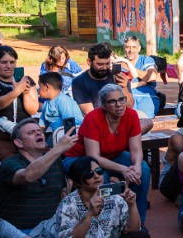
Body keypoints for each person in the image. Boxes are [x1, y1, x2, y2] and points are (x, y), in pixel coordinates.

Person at [53, 157, 151, 238]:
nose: (96, 176)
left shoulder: (115, 197)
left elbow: (133, 229)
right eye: (89, 174)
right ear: (77, 183)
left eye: (99, 171)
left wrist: (132, 205)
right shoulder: (68, 204)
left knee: (142, 237)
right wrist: (89, 214)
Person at [64, 84, 150, 225]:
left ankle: (138, 221)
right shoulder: (93, 118)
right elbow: (94, 158)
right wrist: (123, 169)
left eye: (121, 99)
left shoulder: (132, 115)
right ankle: (105, 223)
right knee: (99, 177)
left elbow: (135, 149)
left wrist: (137, 165)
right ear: (103, 105)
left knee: (143, 170)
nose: (119, 105)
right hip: (80, 158)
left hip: (112, 156)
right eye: (112, 101)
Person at [0, 118, 77, 238]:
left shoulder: (54, 160)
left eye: (39, 131)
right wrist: (57, 149)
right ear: (18, 142)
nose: (38, 134)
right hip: (21, 232)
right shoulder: (9, 164)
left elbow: (62, 193)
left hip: (50, 229)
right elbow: (28, 176)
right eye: (31, 132)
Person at [0, 44, 40, 161]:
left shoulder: (26, 80)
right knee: (11, 164)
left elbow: (32, 110)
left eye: (12, 62)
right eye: (3, 62)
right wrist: (17, 91)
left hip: (26, 133)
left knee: (42, 161)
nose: (8, 66)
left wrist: (26, 93)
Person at [72, 43, 135, 115]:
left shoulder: (119, 78)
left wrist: (124, 87)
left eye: (107, 63)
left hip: (121, 117)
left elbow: (130, 106)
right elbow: (90, 114)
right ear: (89, 62)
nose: (105, 67)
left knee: (146, 121)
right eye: (100, 64)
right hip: (98, 121)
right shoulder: (79, 82)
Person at [117, 35, 160, 117]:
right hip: (126, 98)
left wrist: (128, 65)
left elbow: (152, 76)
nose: (131, 50)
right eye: (128, 47)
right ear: (124, 48)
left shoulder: (146, 60)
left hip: (146, 97)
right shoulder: (119, 63)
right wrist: (140, 83)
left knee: (143, 118)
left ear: (139, 48)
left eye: (134, 47)